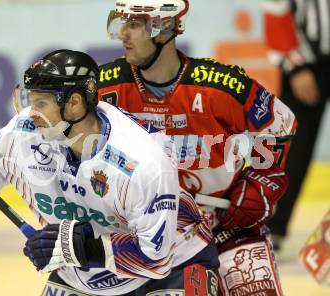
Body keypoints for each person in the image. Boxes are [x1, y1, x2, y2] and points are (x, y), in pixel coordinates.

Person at [0, 49, 219, 296]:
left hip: (175, 263)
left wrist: (84, 249)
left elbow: (155, 258)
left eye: (41, 103)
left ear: (74, 104)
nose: (31, 113)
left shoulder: (142, 160)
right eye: (30, 101)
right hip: (84, 274)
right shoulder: (25, 133)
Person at [98, 1, 297, 295]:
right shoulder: (103, 88)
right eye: (122, 23)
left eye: (135, 25)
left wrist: (261, 181)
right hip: (146, 237)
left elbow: (280, 125)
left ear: (164, 28)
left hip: (226, 229)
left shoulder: (222, 86)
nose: (123, 34)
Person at [263, 0, 330, 251]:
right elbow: (276, 10)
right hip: (306, 65)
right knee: (292, 150)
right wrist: (296, 66)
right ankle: (272, 227)